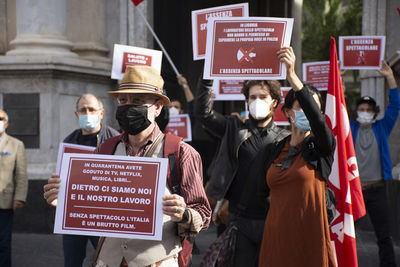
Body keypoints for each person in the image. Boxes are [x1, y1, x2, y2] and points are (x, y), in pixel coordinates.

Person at [44, 65, 211, 267]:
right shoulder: (105, 150)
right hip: (109, 261)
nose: (128, 106)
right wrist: (64, 200)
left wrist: (183, 213)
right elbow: (93, 201)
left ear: (157, 107)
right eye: (123, 100)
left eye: (138, 101)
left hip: (157, 261)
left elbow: (202, 213)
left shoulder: (180, 153)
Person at [195, 67, 290, 266]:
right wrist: (207, 74)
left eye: (262, 96)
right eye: (252, 97)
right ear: (246, 101)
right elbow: (203, 113)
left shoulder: (285, 139)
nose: (257, 101)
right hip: (239, 221)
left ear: (274, 102)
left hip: (272, 220)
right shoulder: (233, 128)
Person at [258, 47, 336, 267]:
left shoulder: (322, 148)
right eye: (302, 107)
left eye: (314, 110)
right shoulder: (274, 148)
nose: (308, 114)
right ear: (289, 113)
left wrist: (292, 76)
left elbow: (319, 123)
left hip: (308, 241)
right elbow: (261, 192)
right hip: (276, 239)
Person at [62, 93, 120, 267]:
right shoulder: (69, 142)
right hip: (76, 213)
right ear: (76, 114)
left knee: (108, 261)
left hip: (103, 214)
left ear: (101, 113)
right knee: (72, 260)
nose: (87, 113)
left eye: (92, 109)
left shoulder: (115, 140)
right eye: (83, 110)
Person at [351, 60, 399, 267]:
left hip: (378, 189)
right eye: (362, 108)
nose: (365, 111)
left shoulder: (381, 128)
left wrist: (390, 77)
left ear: (374, 112)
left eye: (369, 109)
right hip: (354, 191)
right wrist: (338, 77)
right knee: (344, 235)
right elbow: (335, 110)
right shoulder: (349, 130)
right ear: (356, 111)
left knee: (384, 236)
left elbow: (395, 106)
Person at [0, 109, 28, 267]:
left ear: (7, 123)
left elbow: (21, 174)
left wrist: (20, 196)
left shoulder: (16, 145)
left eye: (1, 118)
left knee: (3, 242)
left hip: (5, 202)